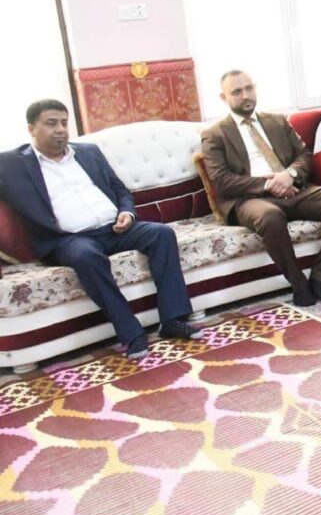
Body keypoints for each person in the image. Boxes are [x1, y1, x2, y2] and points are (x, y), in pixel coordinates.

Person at [0, 100, 201, 360]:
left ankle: (172, 319)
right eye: (51, 123)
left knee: (162, 234)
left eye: (64, 123)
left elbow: (119, 190)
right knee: (87, 257)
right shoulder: (11, 164)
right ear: (31, 129)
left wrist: (126, 213)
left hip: (114, 229)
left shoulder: (88, 152)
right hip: (69, 240)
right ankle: (132, 333)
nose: (60, 129)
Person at [201, 70, 321, 307]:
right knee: (270, 216)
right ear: (224, 98)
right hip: (249, 200)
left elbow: (303, 155)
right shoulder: (214, 134)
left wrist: (290, 175)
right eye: (237, 92)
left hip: (293, 190)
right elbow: (222, 180)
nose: (246, 95)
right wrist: (269, 184)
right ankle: (299, 284)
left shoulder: (276, 121)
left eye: (249, 88)